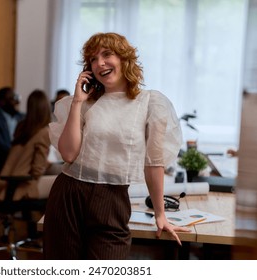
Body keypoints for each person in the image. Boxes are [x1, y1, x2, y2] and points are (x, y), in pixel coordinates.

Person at [43, 32, 190, 260]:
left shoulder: (150, 103)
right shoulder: (86, 103)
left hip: (112, 198)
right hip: (69, 193)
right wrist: (77, 103)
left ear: (124, 58)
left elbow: (154, 163)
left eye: (107, 54)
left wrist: (161, 214)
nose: (99, 63)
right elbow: (68, 154)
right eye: (93, 59)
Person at [0, 89, 52, 202]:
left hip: (5, 184)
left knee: (57, 171)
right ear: (46, 109)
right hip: (22, 186)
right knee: (63, 183)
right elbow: (37, 171)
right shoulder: (44, 132)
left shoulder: (22, 126)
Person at [0, 87, 25, 171]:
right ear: (2, 102)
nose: (17, 102)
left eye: (16, 98)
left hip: (19, 156)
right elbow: (1, 146)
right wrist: (19, 153)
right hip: (7, 161)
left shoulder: (20, 116)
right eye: (12, 99)